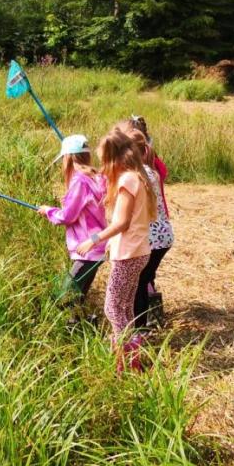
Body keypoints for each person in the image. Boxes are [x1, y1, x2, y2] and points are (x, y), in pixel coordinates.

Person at [75, 122, 157, 372]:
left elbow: (122, 222)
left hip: (128, 254)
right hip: (139, 251)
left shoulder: (127, 180)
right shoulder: (138, 176)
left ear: (115, 158)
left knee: (112, 308)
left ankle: (126, 359)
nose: (103, 166)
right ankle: (132, 357)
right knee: (124, 306)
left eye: (104, 160)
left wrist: (94, 239)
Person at [38, 134, 108, 322]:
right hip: (97, 247)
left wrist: (49, 211)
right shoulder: (97, 177)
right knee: (78, 294)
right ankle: (80, 326)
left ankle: (83, 322)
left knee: (64, 294)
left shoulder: (79, 181)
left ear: (67, 158)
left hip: (87, 249)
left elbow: (68, 216)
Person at [129, 115, 173, 330]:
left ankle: (141, 327)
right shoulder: (153, 167)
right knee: (147, 277)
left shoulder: (140, 174)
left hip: (150, 234)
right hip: (162, 231)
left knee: (140, 280)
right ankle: (152, 318)